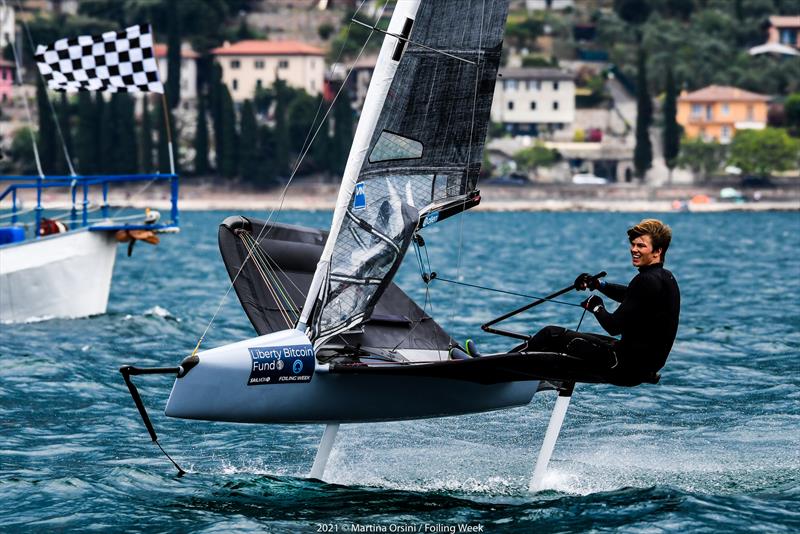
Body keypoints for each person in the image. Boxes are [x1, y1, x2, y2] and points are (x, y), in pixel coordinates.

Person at [527, 219, 680, 385]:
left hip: (620, 365)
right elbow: (632, 296)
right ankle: (529, 376)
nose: (634, 250)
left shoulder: (645, 280)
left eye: (641, 246)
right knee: (580, 340)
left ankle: (498, 372)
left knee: (551, 334)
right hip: (641, 368)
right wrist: (599, 284)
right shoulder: (667, 278)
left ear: (657, 251)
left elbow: (613, 327)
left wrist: (596, 306)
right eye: (633, 245)